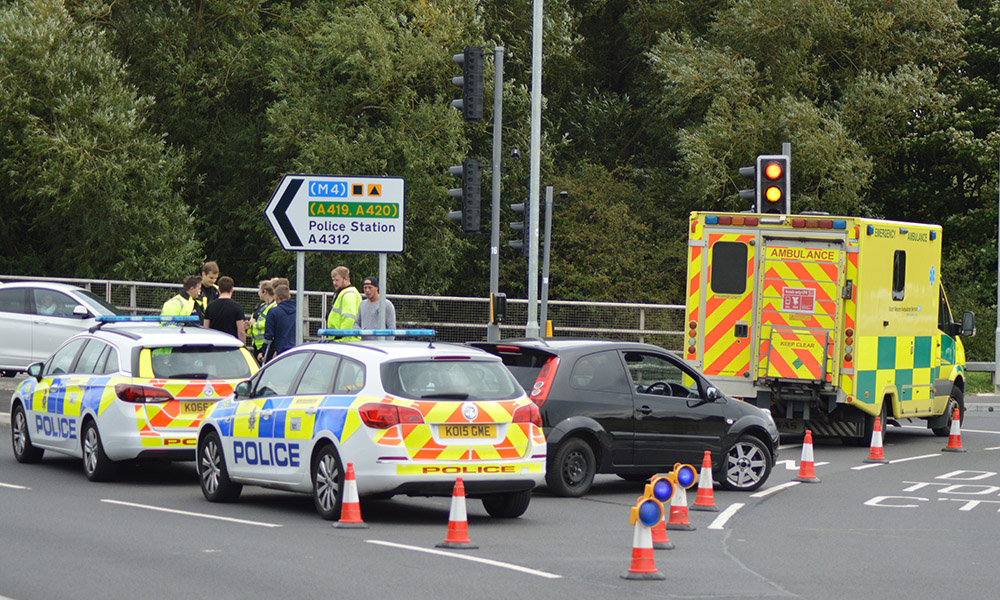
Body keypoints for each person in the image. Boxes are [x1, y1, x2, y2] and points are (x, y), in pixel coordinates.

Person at [204, 276, 246, 343]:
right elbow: (241, 331)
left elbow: (206, 329)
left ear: (218, 289)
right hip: (231, 345)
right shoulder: (237, 307)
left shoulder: (210, 306)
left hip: (215, 344)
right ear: (232, 290)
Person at [262, 284, 296, 362]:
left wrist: (265, 355)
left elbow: (268, 337)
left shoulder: (273, 312)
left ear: (276, 298)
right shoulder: (298, 310)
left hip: (280, 353)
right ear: (289, 297)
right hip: (296, 352)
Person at [327, 266, 361, 342]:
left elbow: (349, 318)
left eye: (337, 280)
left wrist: (341, 338)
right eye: (333, 280)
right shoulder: (342, 292)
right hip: (341, 339)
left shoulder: (349, 294)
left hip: (344, 340)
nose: (334, 283)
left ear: (346, 279)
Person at [358, 276, 396, 340]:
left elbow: (391, 328)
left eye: (370, 287)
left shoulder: (387, 305)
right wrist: (357, 329)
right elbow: (356, 323)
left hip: (380, 345)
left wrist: (387, 345)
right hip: (365, 345)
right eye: (365, 288)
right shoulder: (362, 304)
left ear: (376, 288)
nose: (367, 290)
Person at [246, 280, 275, 361]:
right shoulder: (262, 306)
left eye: (259, 290)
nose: (258, 293)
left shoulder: (273, 306)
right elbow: (254, 320)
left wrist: (254, 324)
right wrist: (248, 325)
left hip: (266, 345)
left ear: (264, 292)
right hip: (257, 344)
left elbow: (268, 323)